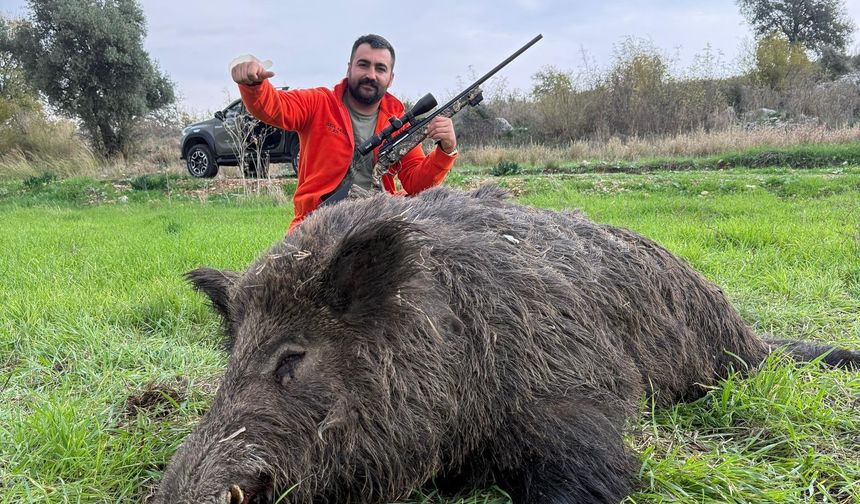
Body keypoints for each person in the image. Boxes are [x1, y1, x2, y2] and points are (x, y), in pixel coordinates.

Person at [231, 34, 458, 232]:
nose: (371, 75)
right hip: (318, 223)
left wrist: (445, 150)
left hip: (379, 220)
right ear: (349, 68)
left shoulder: (399, 121)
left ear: (390, 78)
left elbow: (416, 184)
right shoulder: (319, 103)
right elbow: (274, 107)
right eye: (363, 65)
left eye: (380, 69)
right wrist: (254, 85)